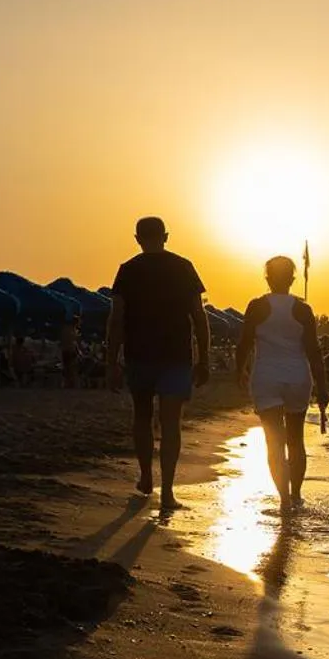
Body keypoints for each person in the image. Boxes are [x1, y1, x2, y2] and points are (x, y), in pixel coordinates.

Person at [106, 216, 209, 509]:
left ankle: (145, 476)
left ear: (137, 238)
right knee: (170, 423)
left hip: (139, 353)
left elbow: (116, 320)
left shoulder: (128, 271)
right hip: (176, 355)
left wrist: (110, 361)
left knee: (142, 416)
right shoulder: (183, 267)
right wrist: (204, 358)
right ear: (166, 235)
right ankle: (167, 491)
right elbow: (198, 317)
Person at [236, 255, 328, 509]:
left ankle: (284, 499)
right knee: (295, 440)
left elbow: (244, 343)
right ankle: (296, 495)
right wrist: (322, 388)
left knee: (273, 441)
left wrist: (239, 370)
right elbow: (314, 352)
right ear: (292, 279)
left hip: (266, 376)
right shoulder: (302, 309)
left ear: (267, 278)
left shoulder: (256, 306)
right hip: (298, 377)